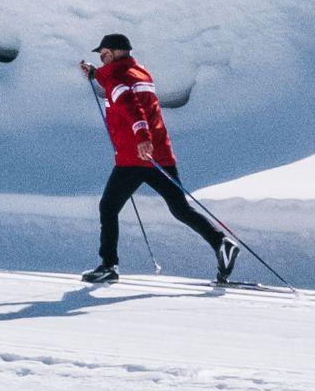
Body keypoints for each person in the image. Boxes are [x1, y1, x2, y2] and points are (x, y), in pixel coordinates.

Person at [80, 32, 236, 285]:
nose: (102, 57)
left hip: (136, 155)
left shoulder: (118, 79)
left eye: (105, 52)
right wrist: (95, 74)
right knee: (180, 209)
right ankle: (221, 242)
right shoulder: (139, 72)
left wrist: (142, 137)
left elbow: (132, 107)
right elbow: (122, 86)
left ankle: (108, 265)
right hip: (159, 154)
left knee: (108, 207)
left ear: (117, 52)